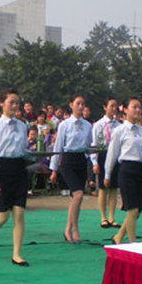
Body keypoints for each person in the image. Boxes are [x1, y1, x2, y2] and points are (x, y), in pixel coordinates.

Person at [0, 89, 30, 265]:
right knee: (2, 216)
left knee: (19, 214)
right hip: (2, 170)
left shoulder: (23, 126)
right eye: (11, 102)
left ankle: (16, 254)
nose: (15, 106)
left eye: (17, 102)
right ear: (2, 103)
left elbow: (23, 151)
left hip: (19, 170)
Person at [104, 97, 142, 244]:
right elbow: (112, 153)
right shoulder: (120, 131)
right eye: (134, 107)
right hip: (127, 170)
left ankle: (118, 237)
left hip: (141, 169)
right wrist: (108, 174)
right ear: (125, 109)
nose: (138, 110)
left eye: (139, 107)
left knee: (137, 211)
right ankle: (132, 243)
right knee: (132, 209)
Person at [50, 94, 92, 244]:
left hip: (81, 160)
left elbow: (89, 147)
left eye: (83, 104)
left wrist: (94, 160)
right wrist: (54, 169)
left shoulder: (88, 126)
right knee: (78, 195)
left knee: (76, 199)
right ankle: (73, 229)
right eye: (78, 103)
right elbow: (58, 147)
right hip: (67, 161)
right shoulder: (64, 125)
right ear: (71, 105)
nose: (80, 106)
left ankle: (69, 228)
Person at [91, 96, 121, 228]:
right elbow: (94, 144)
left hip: (115, 156)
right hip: (103, 154)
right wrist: (94, 162)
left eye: (116, 106)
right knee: (103, 188)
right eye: (111, 106)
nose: (114, 108)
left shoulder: (119, 126)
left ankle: (112, 217)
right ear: (105, 107)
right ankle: (103, 217)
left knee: (113, 188)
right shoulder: (98, 125)